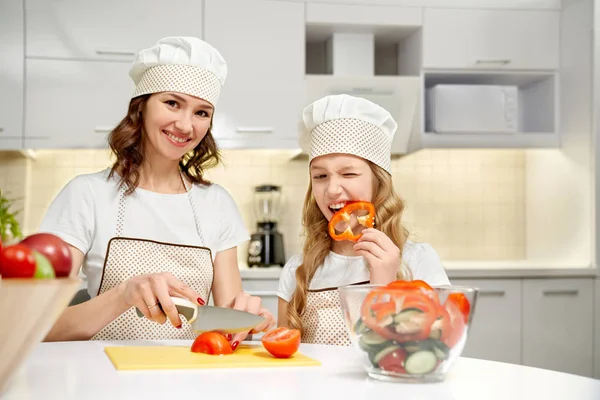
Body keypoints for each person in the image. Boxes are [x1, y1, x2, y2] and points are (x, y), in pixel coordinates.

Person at [39, 37, 274, 345]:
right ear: (141, 107)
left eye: (202, 112)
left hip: (191, 381)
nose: (186, 126)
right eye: (172, 103)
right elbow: (40, 327)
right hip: (105, 380)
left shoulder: (217, 204)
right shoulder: (86, 195)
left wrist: (251, 320)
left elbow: (230, 327)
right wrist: (124, 295)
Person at [276, 94, 450, 346]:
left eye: (348, 173)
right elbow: (285, 359)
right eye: (320, 176)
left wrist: (384, 284)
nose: (332, 189)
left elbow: (433, 352)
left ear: (378, 182)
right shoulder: (298, 270)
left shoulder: (417, 261)